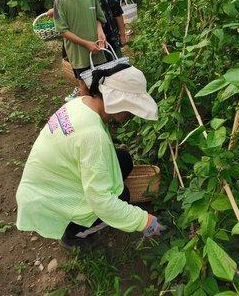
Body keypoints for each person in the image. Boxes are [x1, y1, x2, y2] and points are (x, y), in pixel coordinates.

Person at [16, 65, 163, 248]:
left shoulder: (81, 103)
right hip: (49, 200)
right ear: (117, 101)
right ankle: (72, 234)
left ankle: (77, 225)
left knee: (123, 160)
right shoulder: (92, 136)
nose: (130, 114)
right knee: (122, 196)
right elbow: (101, 202)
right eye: (130, 108)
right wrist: (144, 221)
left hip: (49, 181)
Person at [54, 0, 107, 99]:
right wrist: (85, 43)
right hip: (78, 53)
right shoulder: (60, 1)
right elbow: (62, 31)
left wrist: (100, 31)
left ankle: (102, 113)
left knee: (101, 81)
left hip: (97, 49)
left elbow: (98, 18)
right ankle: (88, 112)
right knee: (84, 84)